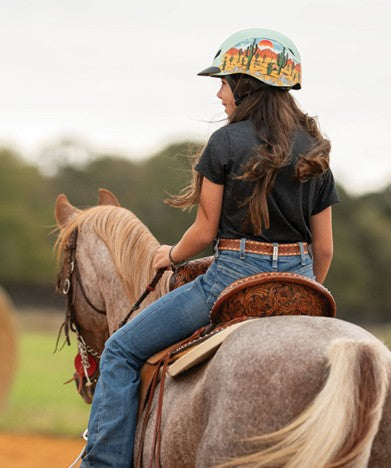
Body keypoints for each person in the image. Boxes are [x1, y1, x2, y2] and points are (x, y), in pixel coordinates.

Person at [81, 28, 339, 467]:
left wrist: (170, 256)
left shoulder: (225, 142)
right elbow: (326, 248)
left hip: (231, 277)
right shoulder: (313, 148)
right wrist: (303, 285)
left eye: (223, 82)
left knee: (121, 350)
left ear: (245, 85)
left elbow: (204, 233)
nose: (220, 93)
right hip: (299, 278)